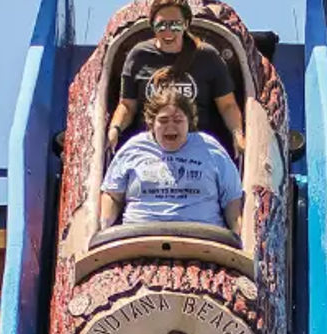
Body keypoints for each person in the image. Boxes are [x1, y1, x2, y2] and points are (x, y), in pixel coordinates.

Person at [105, 0, 246, 159]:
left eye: (175, 25)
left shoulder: (206, 56)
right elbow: (127, 105)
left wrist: (238, 134)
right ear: (152, 26)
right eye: (161, 25)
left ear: (186, 24)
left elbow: (227, 105)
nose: (168, 32)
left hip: (197, 148)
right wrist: (115, 129)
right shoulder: (139, 56)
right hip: (151, 149)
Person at [99, 88, 243, 236]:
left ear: (189, 122)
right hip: (140, 237)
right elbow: (112, 195)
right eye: (163, 120)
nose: (171, 126)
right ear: (152, 123)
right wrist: (104, 226)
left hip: (202, 238)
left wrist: (237, 232)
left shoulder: (210, 148)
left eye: (178, 120)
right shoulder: (133, 148)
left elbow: (232, 199)